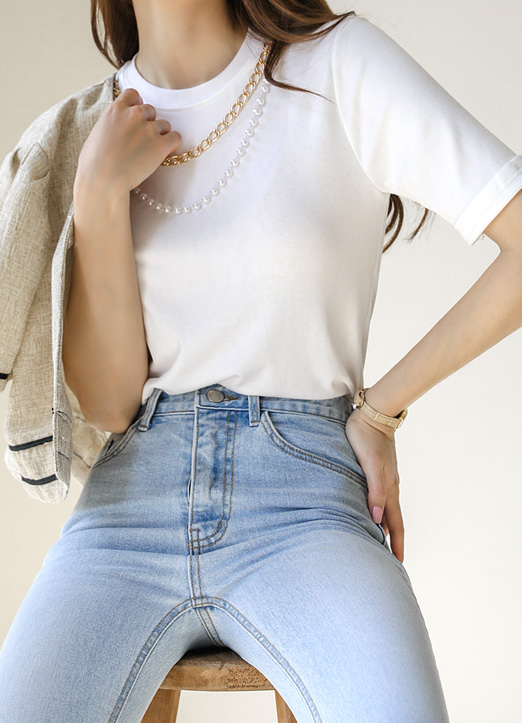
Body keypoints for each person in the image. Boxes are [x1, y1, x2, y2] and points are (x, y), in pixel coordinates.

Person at [0, 0, 522, 720]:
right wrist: (96, 192)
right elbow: (111, 404)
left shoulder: (336, 65)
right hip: (125, 515)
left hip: (304, 507)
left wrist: (380, 411)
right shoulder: (89, 130)